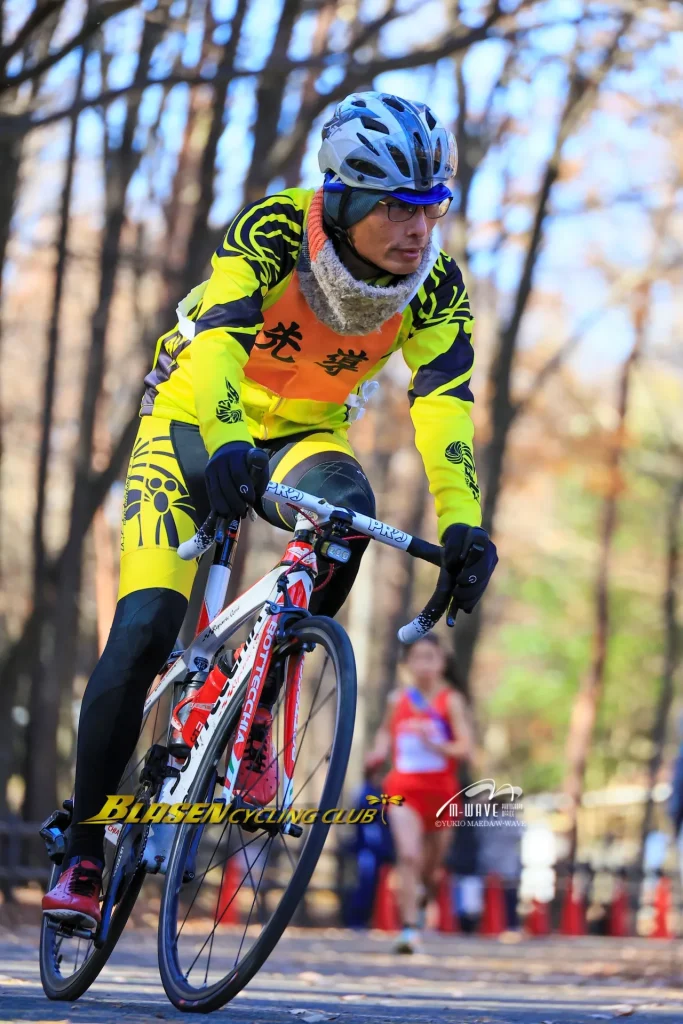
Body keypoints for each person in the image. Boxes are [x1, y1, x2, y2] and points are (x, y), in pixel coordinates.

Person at [42, 91, 497, 929]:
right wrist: (219, 445)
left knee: (347, 517)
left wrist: (462, 518)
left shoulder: (434, 286)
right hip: (191, 421)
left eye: (432, 207)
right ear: (349, 197)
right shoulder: (277, 228)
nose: (418, 229)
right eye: (398, 207)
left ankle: (250, 727)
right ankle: (81, 848)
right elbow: (216, 338)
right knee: (144, 628)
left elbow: (444, 403)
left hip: (302, 433)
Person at [365, 633, 475, 953]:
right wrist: (376, 755)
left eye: (431, 657)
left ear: (442, 663)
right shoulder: (397, 700)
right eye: (418, 657)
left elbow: (466, 748)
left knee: (432, 867)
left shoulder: (450, 700)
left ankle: (423, 894)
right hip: (402, 791)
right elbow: (385, 735)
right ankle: (409, 929)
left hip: (442, 795)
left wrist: (437, 744)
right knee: (409, 855)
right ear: (408, 663)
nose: (424, 665)